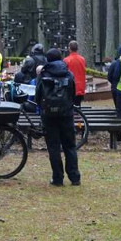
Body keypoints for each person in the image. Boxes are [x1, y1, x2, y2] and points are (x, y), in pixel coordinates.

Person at [37, 48, 81, 187]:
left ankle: (57, 178)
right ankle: (74, 177)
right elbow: (73, 93)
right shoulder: (68, 73)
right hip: (66, 113)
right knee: (70, 146)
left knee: (53, 147)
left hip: (49, 115)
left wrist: (43, 107)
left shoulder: (43, 74)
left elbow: (38, 94)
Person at [64, 40, 88, 105]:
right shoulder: (82, 59)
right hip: (80, 86)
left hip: (71, 87)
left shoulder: (66, 60)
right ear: (77, 48)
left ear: (69, 48)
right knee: (78, 105)